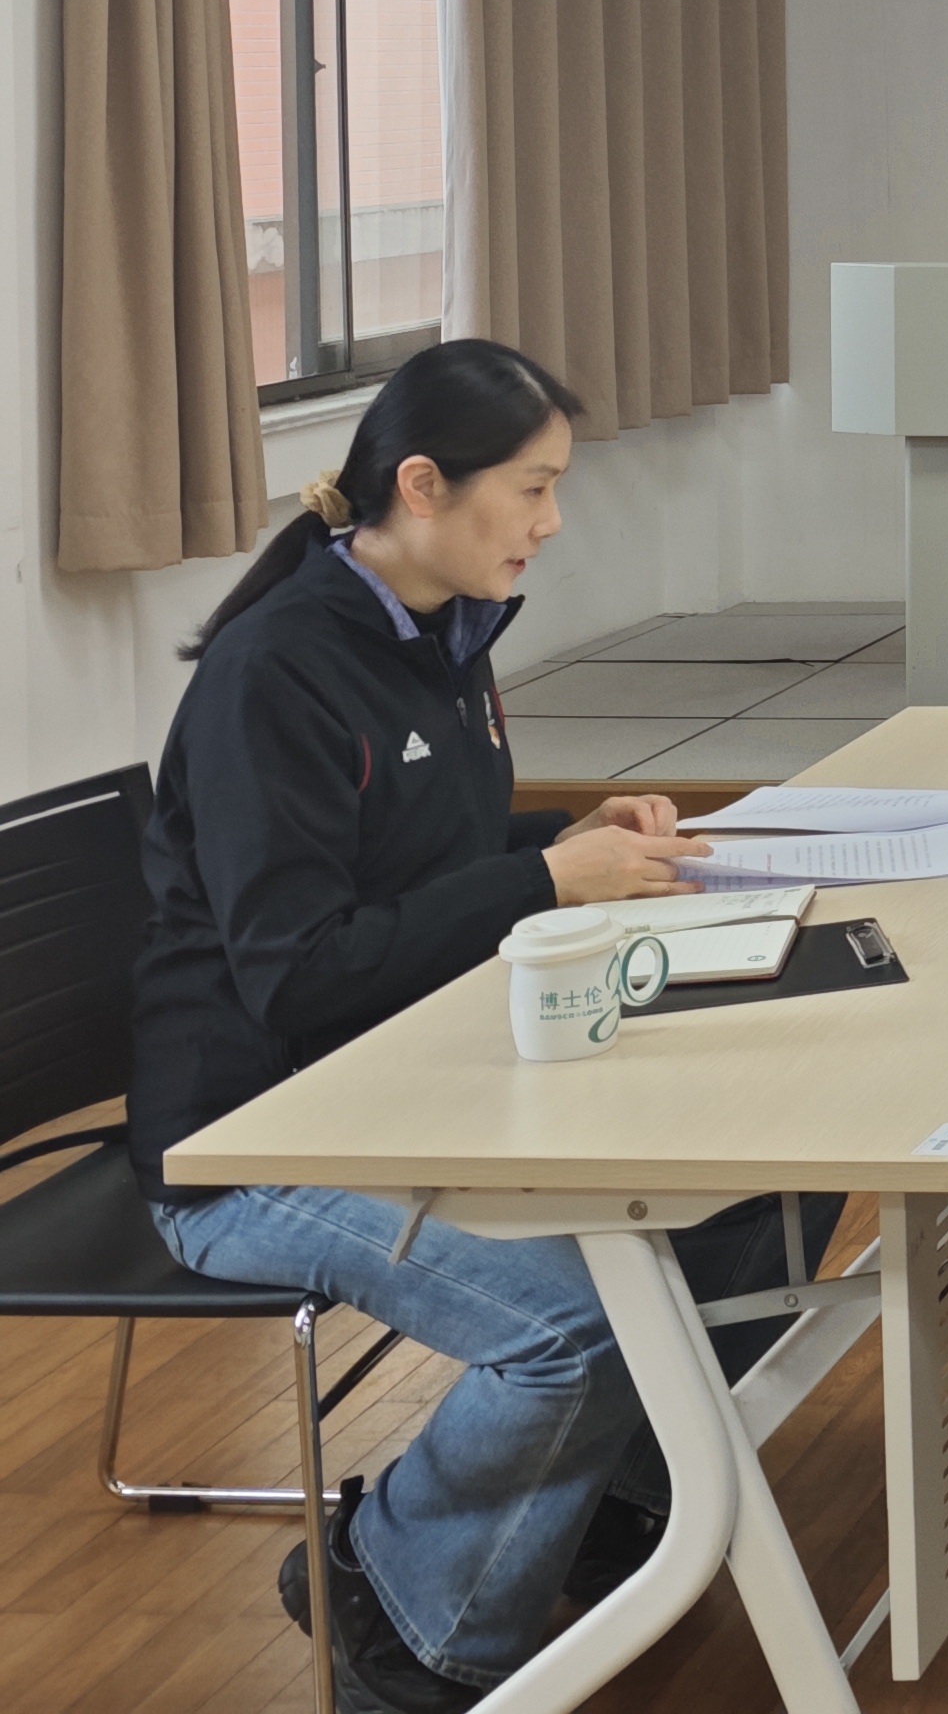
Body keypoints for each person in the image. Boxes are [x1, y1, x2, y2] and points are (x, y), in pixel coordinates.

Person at [134, 340, 827, 1714]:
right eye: (533, 487)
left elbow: (413, 859)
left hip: (416, 1075)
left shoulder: (448, 635)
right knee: (576, 1326)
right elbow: (301, 974)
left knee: (772, 1180)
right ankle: (405, 1602)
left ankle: (623, 1507)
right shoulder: (276, 676)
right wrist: (543, 878)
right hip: (252, 1139)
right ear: (422, 486)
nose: (553, 522)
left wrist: (559, 836)